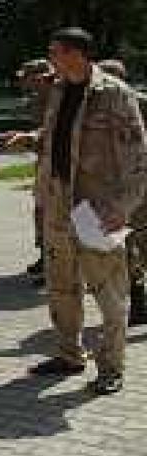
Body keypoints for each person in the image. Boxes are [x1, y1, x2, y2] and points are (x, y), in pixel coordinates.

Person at [0, 28, 147, 395]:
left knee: (109, 291)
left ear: (75, 54)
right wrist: (30, 139)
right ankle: (69, 354)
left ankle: (111, 368)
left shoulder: (114, 94)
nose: (49, 58)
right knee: (61, 285)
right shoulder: (60, 89)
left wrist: (122, 209)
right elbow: (56, 134)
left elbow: (139, 159)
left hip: (97, 209)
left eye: (54, 51)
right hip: (59, 203)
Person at [94, 59, 147, 326]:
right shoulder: (102, 106)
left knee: (135, 245)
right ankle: (138, 303)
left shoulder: (137, 103)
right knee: (124, 248)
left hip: (139, 186)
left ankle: (138, 301)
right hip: (115, 190)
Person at [16, 58, 55, 281]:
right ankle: (46, 258)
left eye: (27, 78)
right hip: (44, 162)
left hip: (58, 166)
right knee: (41, 211)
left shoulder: (58, 96)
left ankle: (56, 265)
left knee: (52, 213)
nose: (24, 82)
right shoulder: (38, 99)